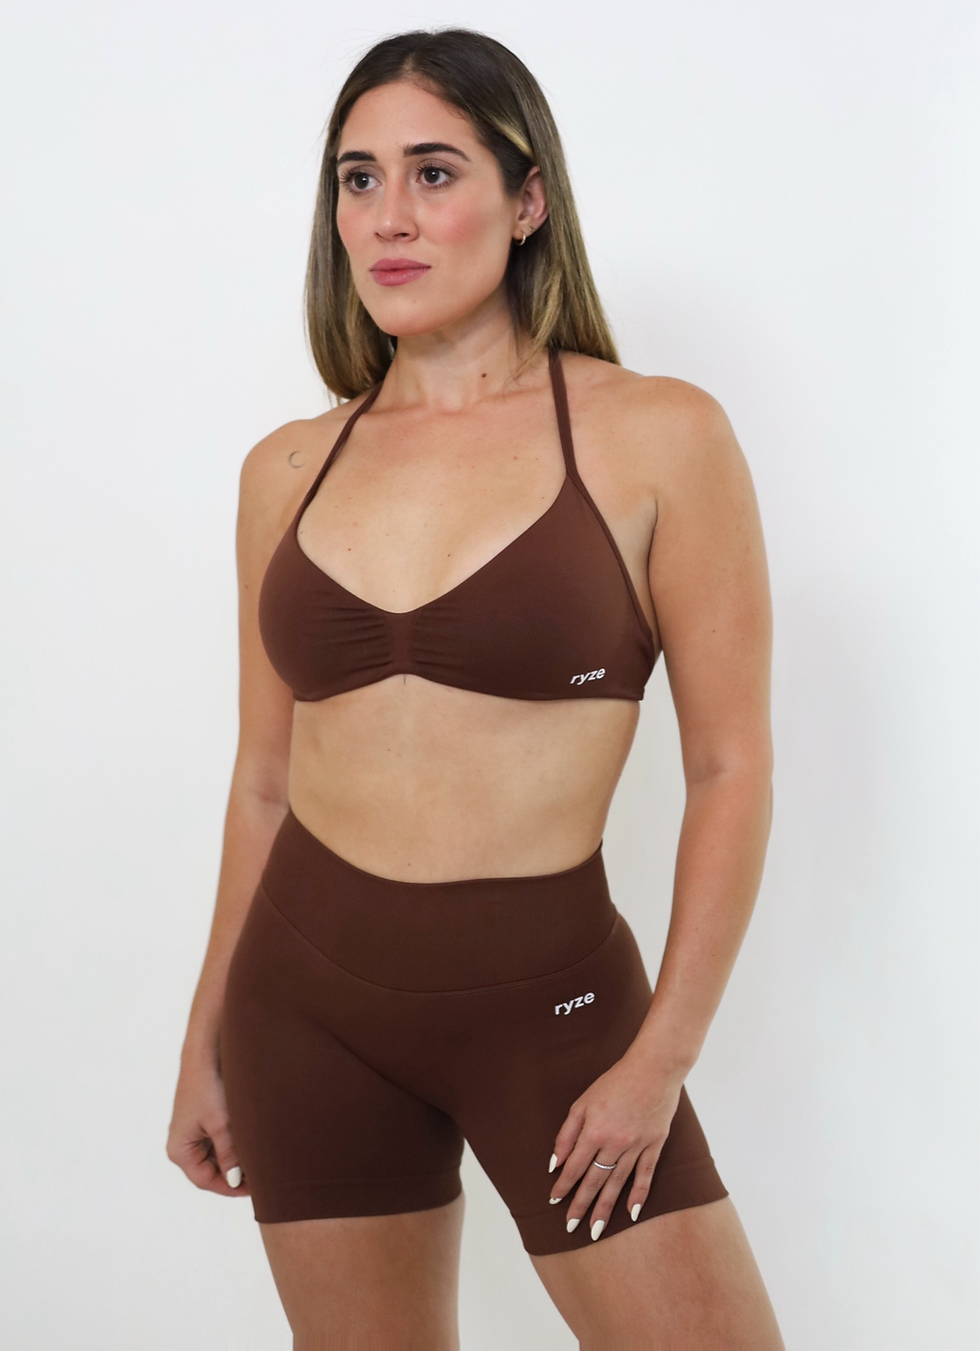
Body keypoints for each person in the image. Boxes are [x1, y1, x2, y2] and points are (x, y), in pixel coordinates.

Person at [167, 27, 783, 1348]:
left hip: (552, 1014)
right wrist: (204, 1035)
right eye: (358, 178)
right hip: (304, 1011)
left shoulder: (658, 435)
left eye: (433, 173)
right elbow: (264, 783)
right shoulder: (287, 470)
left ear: (527, 199)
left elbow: (730, 765)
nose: (387, 216)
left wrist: (663, 1057)